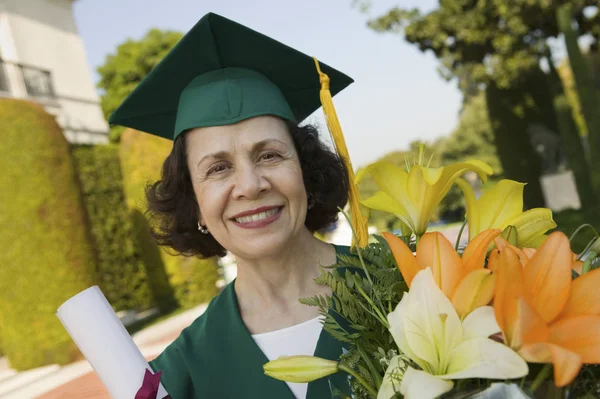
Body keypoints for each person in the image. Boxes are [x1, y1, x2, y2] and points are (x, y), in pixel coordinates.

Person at [109, 12, 368, 399]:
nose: (249, 185)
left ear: (306, 172)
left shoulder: (412, 281)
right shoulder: (178, 376)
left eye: (269, 156)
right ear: (194, 203)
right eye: (218, 168)